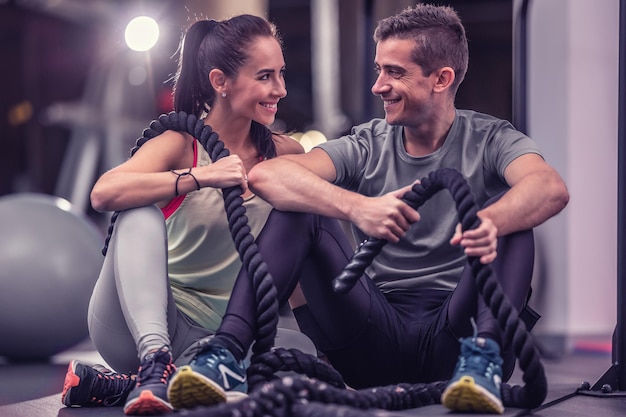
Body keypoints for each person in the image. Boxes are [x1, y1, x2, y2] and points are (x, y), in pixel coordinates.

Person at [166, 3, 569, 415]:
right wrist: (359, 208)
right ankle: (225, 354)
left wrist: (491, 221)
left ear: (441, 79)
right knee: (299, 208)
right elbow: (270, 177)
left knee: (515, 214)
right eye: (379, 70)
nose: (378, 86)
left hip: (457, 333)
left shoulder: (491, 139)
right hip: (373, 334)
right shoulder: (367, 143)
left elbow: (549, 187)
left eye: (395, 72)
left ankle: (485, 358)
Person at [60, 14, 303, 416]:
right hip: (140, 322)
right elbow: (104, 192)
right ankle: (154, 363)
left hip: (218, 338)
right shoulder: (180, 143)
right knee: (137, 211)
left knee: (306, 358)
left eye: (281, 74)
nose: (280, 89)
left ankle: (123, 386)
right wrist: (202, 176)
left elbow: (301, 239)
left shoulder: (285, 154)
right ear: (219, 82)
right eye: (265, 77)